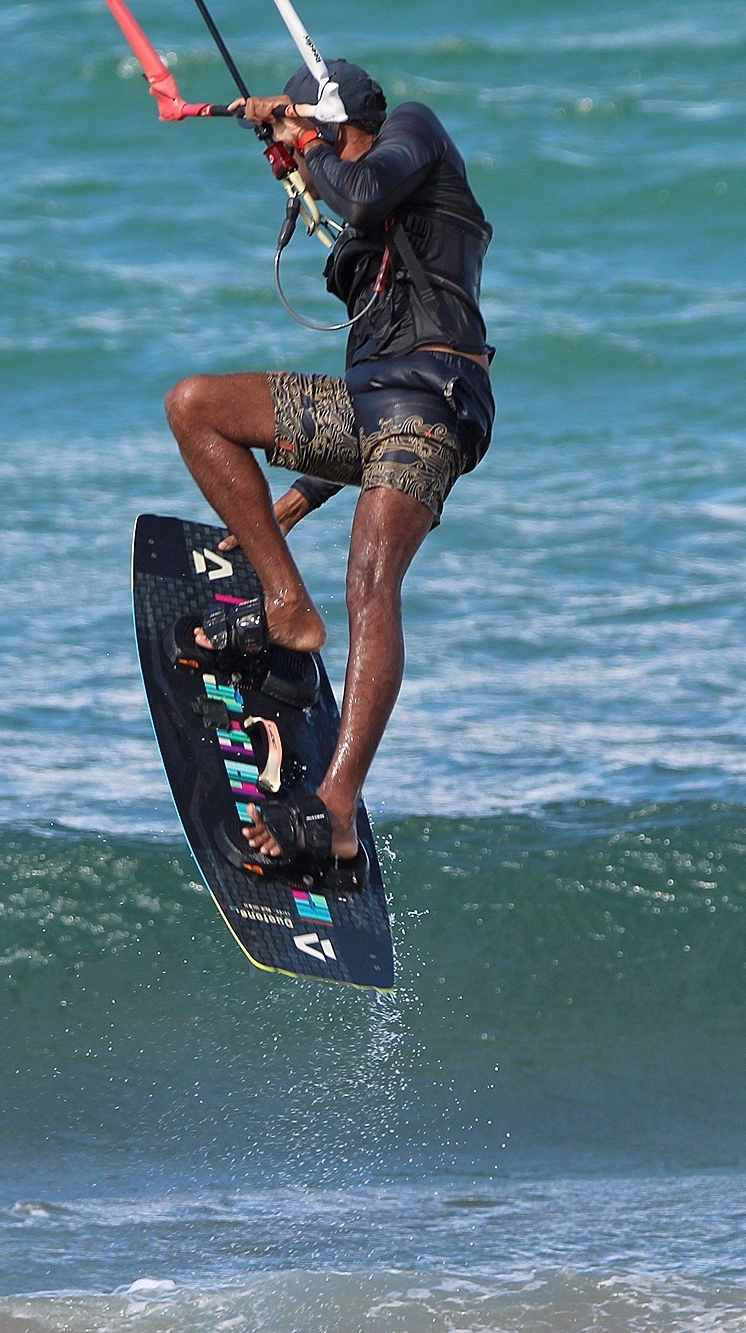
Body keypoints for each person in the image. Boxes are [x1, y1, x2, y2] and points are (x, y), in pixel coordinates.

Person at [160, 59, 494, 881]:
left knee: (371, 581)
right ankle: (285, 608)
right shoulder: (355, 201)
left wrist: (304, 140)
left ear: (341, 124)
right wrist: (285, 512)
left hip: (434, 398)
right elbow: (364, 438)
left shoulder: (414, 131)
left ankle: (336, 809)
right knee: (197, 406)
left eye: (317, 130)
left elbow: (367, 188)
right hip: (371, 406)